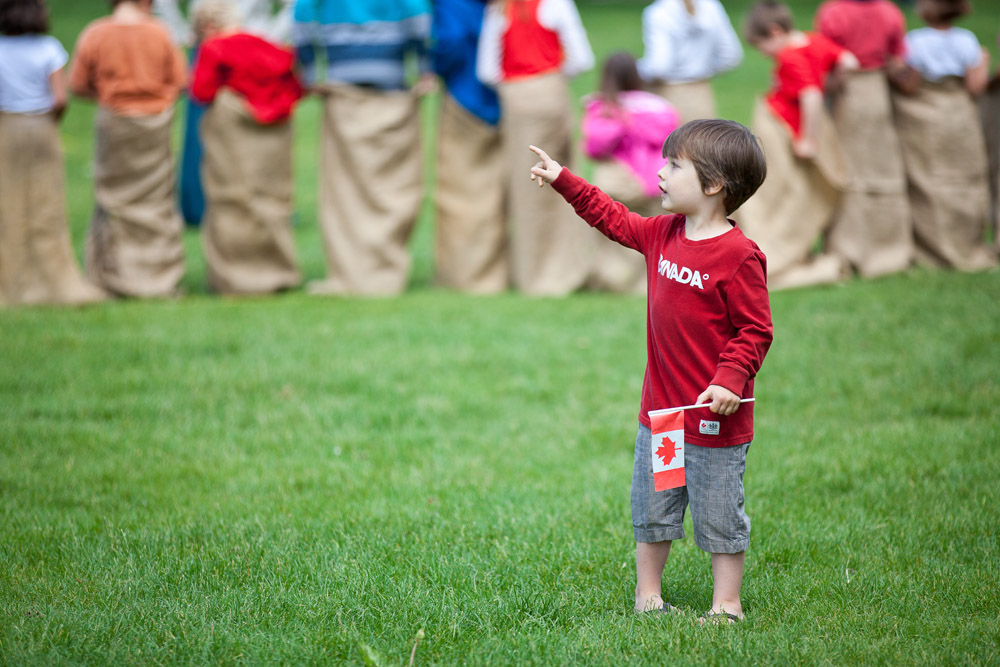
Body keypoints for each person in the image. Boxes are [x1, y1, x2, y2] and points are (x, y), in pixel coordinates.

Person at [528, 118, 773, 622]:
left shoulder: (739, 257)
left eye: (673, 165)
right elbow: (612, 217)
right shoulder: (662, 235)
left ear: (713, 185)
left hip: (714, 424)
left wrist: (729, 380)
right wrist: (563, 179)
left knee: (719, 514)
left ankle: (727, 605)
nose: (659, 173)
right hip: (663, 416)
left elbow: (755, 331)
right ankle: (649, 596)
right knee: (655, 510)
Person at [294, 0, 434, 297]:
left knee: (346, 187)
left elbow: (303, 15)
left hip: (341, 81)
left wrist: (308, 71)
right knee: (391, 184)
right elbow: (417, 16)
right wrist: (422, 67)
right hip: (391, 82)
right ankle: (382, 273)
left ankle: (350, 273)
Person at [69, 0, 188, 298]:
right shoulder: (161, 32)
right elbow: (181, 80)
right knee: (157, 200)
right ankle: (158, 277)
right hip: (155, 125)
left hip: (115, 123)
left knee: (114, 200)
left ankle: (113, 278)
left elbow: (77, 84)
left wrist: (107, 94)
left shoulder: (96, 33)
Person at [736, 1, 858, 290]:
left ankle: (775, 252)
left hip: (787, 129)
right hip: (796, 125)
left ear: (775, 32)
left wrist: (808, 139)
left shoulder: (789, 56)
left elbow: (811, 95)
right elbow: (850, 62)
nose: (763, 53)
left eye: (761, 45)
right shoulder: (815, 41)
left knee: (780, 190)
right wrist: (832, 82)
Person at [477, 0, 595, 296]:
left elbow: (487, 71)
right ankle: (568, 269)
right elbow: (581, 58)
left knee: (526, 189)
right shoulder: (557, 5)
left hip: (516, 99)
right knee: (564, 182)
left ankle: (531, 274)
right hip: (551, 92)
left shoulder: (498, 10)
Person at [189, 0, 303, 294]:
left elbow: (200, 92)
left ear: (207, 27)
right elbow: (295, 77)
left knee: (232, 200)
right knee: (272, 199)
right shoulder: (267, 45)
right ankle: (278, 272)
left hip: (233, 139)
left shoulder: (214, 48)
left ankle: (235, 278)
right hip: (272, 137)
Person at [0, 0, 106, 306]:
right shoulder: (49, 47)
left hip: (6, 129)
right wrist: (49, 121)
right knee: (45, 205)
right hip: (41, 128)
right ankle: (49, 279)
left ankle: (11, 282)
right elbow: (59, 98)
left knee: (8, 204)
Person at [153, 0, 294, 227]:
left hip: (254, 48)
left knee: (254, 137)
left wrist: (270, 35)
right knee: (206, 135)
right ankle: (205, 207)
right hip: (213, 47)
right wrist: (183, 33)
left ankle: (260, 205)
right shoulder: (210, 45)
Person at [892, 0, 997, 271]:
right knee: (964, 179)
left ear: (928, 9)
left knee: (929, 179)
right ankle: (967, 243)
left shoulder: (916, 40)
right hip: (960, 119)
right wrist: (983, 62)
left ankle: (934, 247)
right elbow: (976, 87)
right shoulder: (967, 40)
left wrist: (894, 74)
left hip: (926, 120)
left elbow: (912, 85)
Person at [816, 0, 913, 278]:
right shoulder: (890, 11)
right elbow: (898, 60)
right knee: (883, 170)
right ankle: (889, 251)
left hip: (847, 95)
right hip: (878, 95)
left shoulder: (833, 12)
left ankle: (848, 250)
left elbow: (826, 59)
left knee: (848, 171)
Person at [582, 51, 680, 293]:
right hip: (657, 181)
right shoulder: (660, 107)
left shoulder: (604, 107)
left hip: (620, 182)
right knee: (654, 234)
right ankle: (646, 284)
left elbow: (595, 148)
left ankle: (612, 281)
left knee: (614, 233)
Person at [431, 0, 506, 293]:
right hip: (506, 93)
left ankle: (467, 276)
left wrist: (436, 67)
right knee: (496, 188)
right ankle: (497, 272)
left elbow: (449, 40)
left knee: (461, 190)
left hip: (464, 93)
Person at [636, 0, 742, 123]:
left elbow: (660, 67)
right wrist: (701, 70)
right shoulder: (711, 6)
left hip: (667, 98)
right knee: (702, 140)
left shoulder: (658, 12)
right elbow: (731, 56)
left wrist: (638, 70)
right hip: (701, 96)